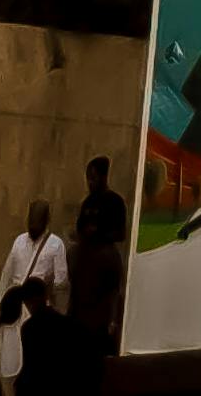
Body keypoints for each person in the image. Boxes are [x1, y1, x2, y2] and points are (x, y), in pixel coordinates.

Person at [0, 196, 66, 389]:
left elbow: (61, 283)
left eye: (38, 220)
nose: (33, 224)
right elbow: (6, 275)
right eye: (31, 219)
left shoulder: (56, 244)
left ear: (46, 220)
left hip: (37, 310)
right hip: (13, 308)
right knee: (8, 363)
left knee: (32, 363)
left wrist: (57, 312)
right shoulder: (18, 241)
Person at [70, 153, 131, 361]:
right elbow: (79, 229)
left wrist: (99, 234)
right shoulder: (87, 203)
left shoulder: (114, 202)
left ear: (104, 177)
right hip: (86, 263)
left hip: (104, 260)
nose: (90, 182)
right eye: (88, 177)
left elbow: (120, 234)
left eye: (93, 177)